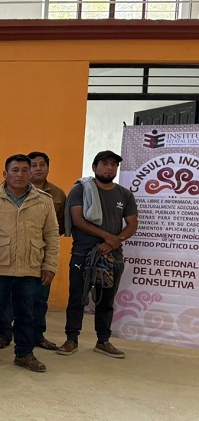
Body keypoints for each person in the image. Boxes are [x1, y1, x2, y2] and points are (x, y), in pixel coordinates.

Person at [0, 154, 59, 373]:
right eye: (15, 170)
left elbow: (51, 235)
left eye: (24, 170)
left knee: (27, 314)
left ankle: (24, 354)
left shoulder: (43, 201)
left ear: (30, 173)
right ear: (5, 174)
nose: (19, 174)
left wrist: (50, 265)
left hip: (31, 268)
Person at [58, 150, 138, 358]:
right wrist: (108, 237)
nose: (109, 168)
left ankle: (103, 341)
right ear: (94, 167)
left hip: (112, 255)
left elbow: (132, 224)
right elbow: (78, 220)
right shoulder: (80, 190)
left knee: (106, 300)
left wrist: (114, 242)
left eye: (113, 164)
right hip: (83, 253)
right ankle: (71, 339)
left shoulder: (125, 194)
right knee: (77, 297)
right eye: (104, 163)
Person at [28, 151, 68, 350]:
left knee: (40, 298)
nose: (38, 169)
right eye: (33, 165)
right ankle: (4, 334)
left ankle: (37, 335)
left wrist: (43, 241)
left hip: (43, 254)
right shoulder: (15, 190)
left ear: (48, 167)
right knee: (10, 298)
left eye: (41, 165)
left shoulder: (58, 194)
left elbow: (60, 225)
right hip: (16, 252)